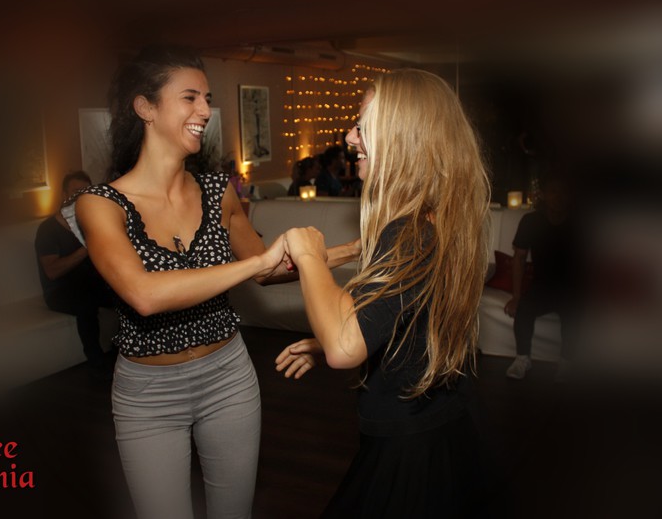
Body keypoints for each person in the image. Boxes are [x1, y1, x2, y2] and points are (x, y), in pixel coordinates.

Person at [64, 45, 360, 519]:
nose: (205, 110)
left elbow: (268, 271)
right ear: (145, 107)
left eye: (207, 98)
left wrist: (358, 249)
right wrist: (259, 260)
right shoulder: (99, 204)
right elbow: (144, 295)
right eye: (190, 98)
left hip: (228, 376)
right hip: (149, 394)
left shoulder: (219, 191)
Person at [275, 69, 490, 517]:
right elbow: (410, 319)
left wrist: (308, 253)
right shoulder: (435, 216)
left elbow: (344, 348)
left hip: (409, 447)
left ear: (403, 138)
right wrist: (328, 335)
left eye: (363, 126)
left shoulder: (409, 234)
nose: (350, 138)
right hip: (438, 424)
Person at [35, 170, 114, 380]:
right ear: (64, 195)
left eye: (86, 192)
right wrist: (86, 248)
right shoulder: (48, 230)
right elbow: (52, 271)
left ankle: (126, 352)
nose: (81, 196)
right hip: (59, 291)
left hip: (89, 284)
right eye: (76, 191)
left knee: (124, 294)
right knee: (86, 304)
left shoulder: (87, 222)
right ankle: (96, 363)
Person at [503, 170, 579, 381]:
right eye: (553, 191)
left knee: (575, 313)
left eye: (563, 192)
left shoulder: (578, 221)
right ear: (544, 195)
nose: (558, 197)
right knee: (524, 309)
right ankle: (522, 359)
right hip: (542, 285)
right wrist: (516, 296)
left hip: (572, 287)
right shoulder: (531, 221)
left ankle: (566, 362)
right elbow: (519, 258)